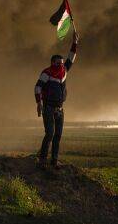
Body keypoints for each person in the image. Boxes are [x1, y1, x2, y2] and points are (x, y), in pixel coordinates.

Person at [34, 32, 79, 170]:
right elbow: (37, 87)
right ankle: (42, 159)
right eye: (58, 62)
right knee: (50, 134)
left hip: (60, 108)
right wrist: (39, 103)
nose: (61, 64)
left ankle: (54, 160)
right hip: (48, 107)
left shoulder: (64, 71)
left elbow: (71, 58)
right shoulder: (46, 73)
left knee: (58, 135)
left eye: (61, 62)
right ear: (52, 62)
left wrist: (75, 43)